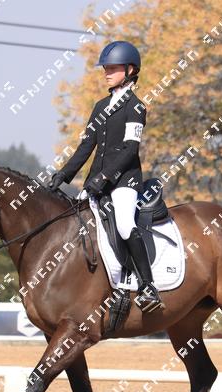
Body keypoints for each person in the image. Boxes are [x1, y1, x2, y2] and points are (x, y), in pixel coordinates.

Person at [48, 40, 162, 313]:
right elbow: (86, 146)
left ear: (130, 70)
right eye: (105, 68)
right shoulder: (100, 106)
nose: (106, 72)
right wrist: (63, 175)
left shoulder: (136, 107)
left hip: (124, 182)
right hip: (96, 182)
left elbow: (130, 150)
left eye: (112, 68)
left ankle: (148, 286)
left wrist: (105, 177)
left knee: (124, 224)